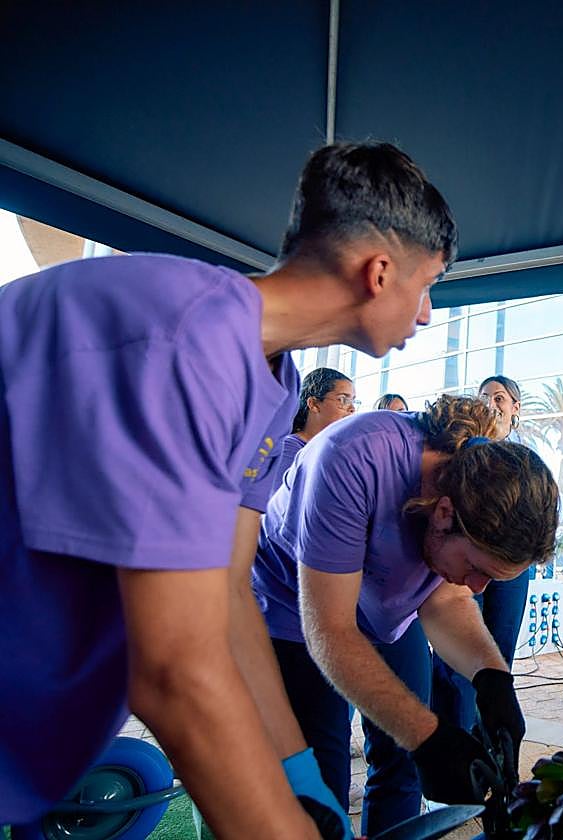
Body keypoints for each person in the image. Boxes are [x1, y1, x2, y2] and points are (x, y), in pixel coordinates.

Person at [0, 141, 455, 837]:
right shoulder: (188, 340)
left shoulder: (271, 383)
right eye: (428, 288)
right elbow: (175, 669)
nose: (425, 314)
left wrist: (300, 779)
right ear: (380, 272)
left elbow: (229, 590)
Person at [252, 395, 558, 835]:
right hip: (294, 612)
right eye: (478, 569)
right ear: (445, 513)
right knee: (323, 771)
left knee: (405, 759)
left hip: (387, 609)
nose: (477, 588)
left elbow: (447, 599)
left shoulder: (467, 485)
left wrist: (493, 680)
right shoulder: (353, 459)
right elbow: (332, 632)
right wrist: (428, 736)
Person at [430, 375, 533, 732]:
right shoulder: (458, 452)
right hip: (462, 562)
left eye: (500, 397)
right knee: (455, 650)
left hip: (512, 571)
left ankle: (490, 740)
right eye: (484, 396)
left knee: (498, 647)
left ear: (515, 408)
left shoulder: (527, 458)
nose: (491, 402)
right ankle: (454, 739)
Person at [271, 368, 357, 493]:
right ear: (314, 404)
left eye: (353, 401)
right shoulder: (289, 448)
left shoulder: (333, 449)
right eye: (343, 399)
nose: (352, 408)